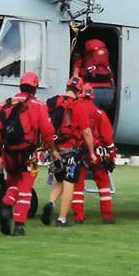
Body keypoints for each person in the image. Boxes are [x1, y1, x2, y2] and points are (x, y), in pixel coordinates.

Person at [0, 70, 56, 237]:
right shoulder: (39, 105)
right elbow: (48, 130)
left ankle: (6, 204)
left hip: (9, 153)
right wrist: (50, 148)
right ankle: (19, 225)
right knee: (26, 186)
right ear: (35, 87)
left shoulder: (5, 104)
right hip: (29, 154)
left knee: (13, 182)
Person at [43, 77, 97, 228]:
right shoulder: (78, 106)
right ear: (79, 90)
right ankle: (62, 219)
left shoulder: (53, 102)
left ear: (66, 86)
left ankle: (51, 202)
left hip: (54, 149)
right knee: (69, 183)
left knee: (58, 179)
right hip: (71, 150)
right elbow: (86, 131)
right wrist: (91, 152)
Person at [72, 96, 117, 224]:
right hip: (97, 153)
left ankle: (78, 216)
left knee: (78, 184)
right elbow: (107, 137)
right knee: (103, 183)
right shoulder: (99, 113)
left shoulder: (75, 110)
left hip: (79, 152)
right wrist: (112, 154)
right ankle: (107, 216)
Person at [71, 37, 116, 112]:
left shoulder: (82, 60)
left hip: (90, 92)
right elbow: (112, 77)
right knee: (101, 116)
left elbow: (75, 77)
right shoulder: (106, 63)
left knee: (90, 117)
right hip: (108, 93)